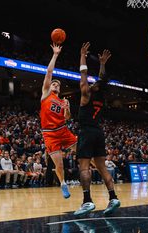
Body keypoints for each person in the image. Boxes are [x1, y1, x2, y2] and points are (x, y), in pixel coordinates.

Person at [73, 42, 120, 216]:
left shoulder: (87, 93)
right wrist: (102, 64)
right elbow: (102, 79)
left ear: (95, 87)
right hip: (99, 133)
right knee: (102, 168)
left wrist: (83, 55)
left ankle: (87, 201)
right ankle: (113, 197)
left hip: (86, 132)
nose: (92, 83)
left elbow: (83, 73)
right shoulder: (101, 95)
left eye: (95, 83)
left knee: (84, 168)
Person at [39, 43, 77, 198]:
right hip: (50, 134)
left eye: (57, 85)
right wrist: (55, 54)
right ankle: (63, 184)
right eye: (53, 83)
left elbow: (67, 118)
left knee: (82, 150)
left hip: (62, 130)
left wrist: (67, 109)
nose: (55, 85)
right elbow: (49, 72)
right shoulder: (46, 94)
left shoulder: (62, 101)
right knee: (59, 164)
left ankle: (100, 171)